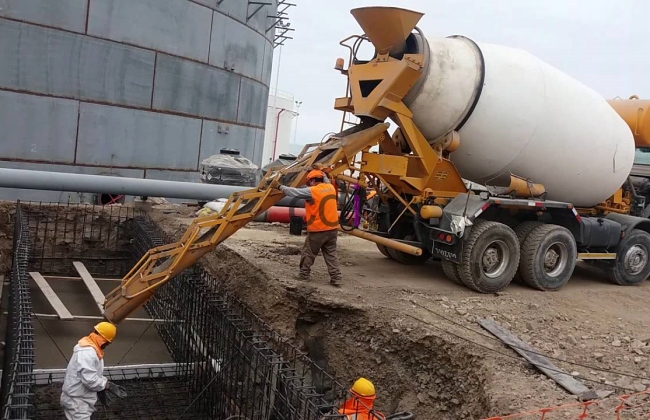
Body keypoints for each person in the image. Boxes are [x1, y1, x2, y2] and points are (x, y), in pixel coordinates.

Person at [279, 169, 343, 286]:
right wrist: (321, 170)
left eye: (309, 182)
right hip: (332, 229)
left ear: (313, 180)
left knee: (309, 253)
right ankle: (336, 278)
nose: (309, 184)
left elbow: (293, 192)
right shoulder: (330, 188)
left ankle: (304, 274)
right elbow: (326, 179)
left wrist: (280, 187)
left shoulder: (312, 191)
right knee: (331, 254)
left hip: (318, 229)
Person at [60, 322, 117, 420]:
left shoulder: (92, 348)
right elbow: (90, 380)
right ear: (103, 340)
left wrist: (103, 382)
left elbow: (91, 373)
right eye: (107, 343)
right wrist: (105, 384)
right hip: (77, 402)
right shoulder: (88, 353)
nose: (107, 346)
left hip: (79, 398)